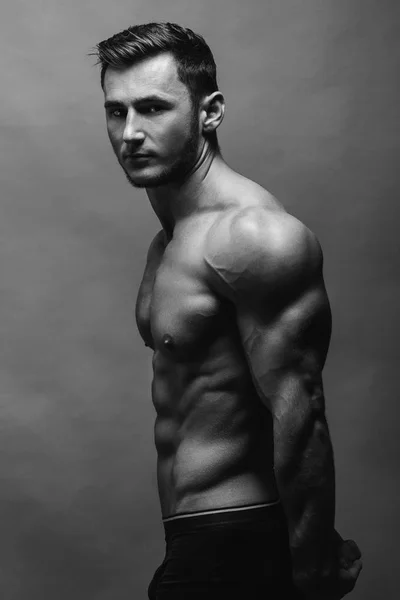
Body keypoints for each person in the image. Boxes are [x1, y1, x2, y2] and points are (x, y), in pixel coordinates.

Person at [94, 22, 363, 599]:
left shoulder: (251, 237)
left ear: (210, 112)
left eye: (152, 108)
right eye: (116, 112)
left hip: (241, 542)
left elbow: (302, 407)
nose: (130, 133)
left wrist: (311, 563)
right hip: (194, 543)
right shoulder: (167, 243)